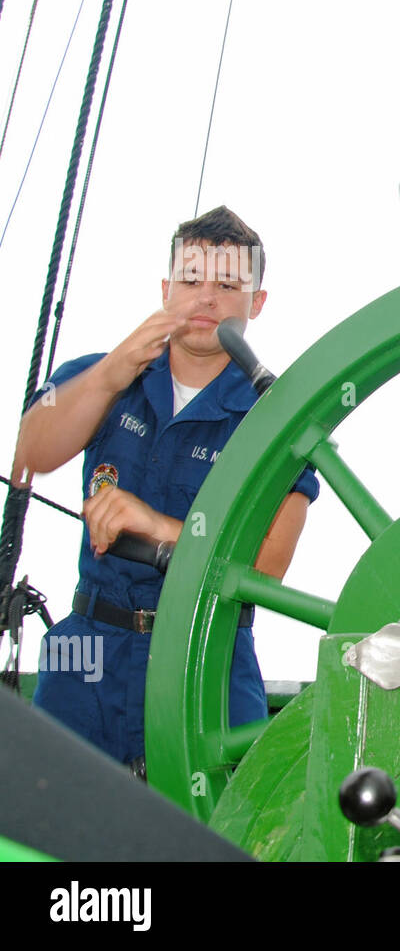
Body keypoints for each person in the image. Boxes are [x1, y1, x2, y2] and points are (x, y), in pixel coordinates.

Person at [13, 206, 319, 775]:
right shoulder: (99, 375)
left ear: (257, 303)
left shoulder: (279, 416)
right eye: (191, 280)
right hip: (87, 654)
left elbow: (269, 567)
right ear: (164, 288)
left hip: (210, 661)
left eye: (228, 285)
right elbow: (30, 454)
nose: (207, 298)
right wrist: (110, 373)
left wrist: (157, 527)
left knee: (209, 838)